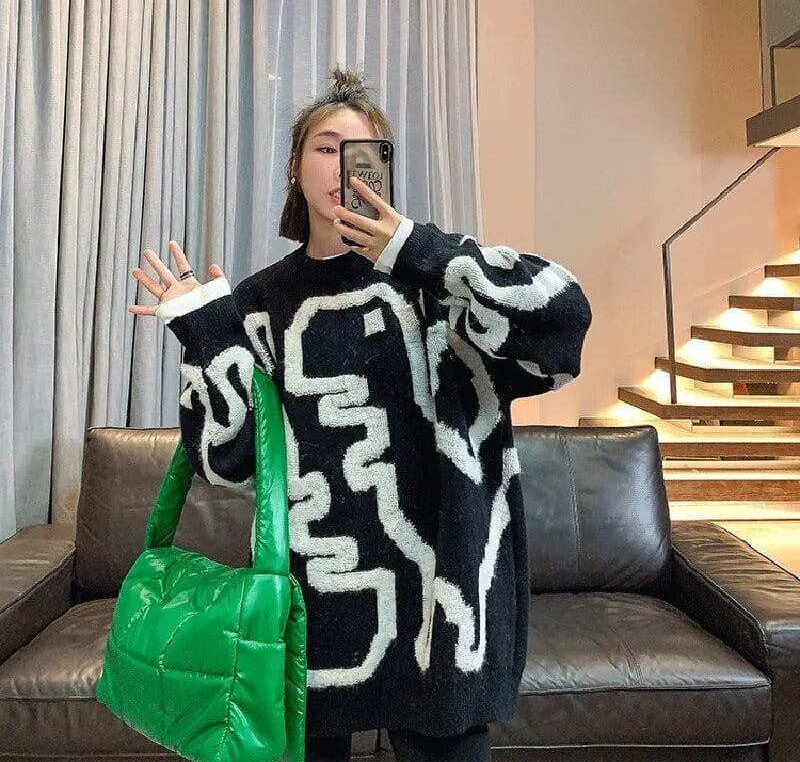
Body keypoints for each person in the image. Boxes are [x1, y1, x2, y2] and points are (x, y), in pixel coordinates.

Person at [127, 65, 592, 762]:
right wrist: (207, 332)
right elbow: (227, 461)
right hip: (313, 611)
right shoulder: (260, 303)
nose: (341, 165)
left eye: (361, 150)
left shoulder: (435, 281)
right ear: (294, 168)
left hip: (442, 604)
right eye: (324, 147)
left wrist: (416, 250)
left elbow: (562, 324)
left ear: (383, 166)